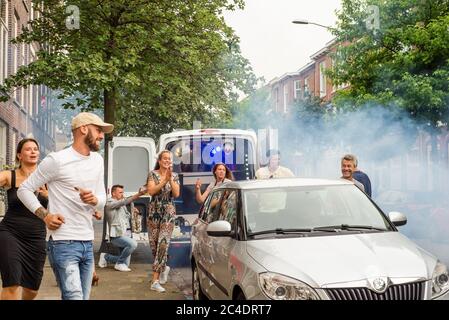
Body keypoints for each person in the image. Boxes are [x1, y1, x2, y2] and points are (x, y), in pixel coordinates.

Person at [17, 112, 113, 300]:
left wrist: (94, 200)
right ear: (83, 129)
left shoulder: (98, 160)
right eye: (98, 130)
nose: (101, 136)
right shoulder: (57, 160)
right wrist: (45, 215)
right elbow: (24, 189)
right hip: (63, 243)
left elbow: (103, 197)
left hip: (87, 241)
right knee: (74, 297)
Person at [0, 138, 48, 300]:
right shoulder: (9, 176)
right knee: (12, 283)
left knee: (32, 289)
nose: (33, 151)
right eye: (28, 149)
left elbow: (65, 203)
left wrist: (50, 197)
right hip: (10, 233)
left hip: (36, 237)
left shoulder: (48, 180)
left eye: (35, 149)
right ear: (19, 155)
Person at [146, 150, 180, 293]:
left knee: (162, 245)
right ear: (159, 161)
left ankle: (155, 280)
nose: (167, 161)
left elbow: (176, 193)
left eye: (169, 159)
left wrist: (169, 179)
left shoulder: (175, 175)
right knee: (154, 246)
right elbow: (151, 191)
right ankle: (163, 267)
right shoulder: (152, 174)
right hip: (154, 212)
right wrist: (163, 181)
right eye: (164, 159)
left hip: (168, 211)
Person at [98, 184, 146, 272]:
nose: (122, 194)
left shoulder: (121, 204)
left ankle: (106, 257)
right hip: (116, 235)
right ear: (113, 193)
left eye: (123, 192)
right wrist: (138, 194)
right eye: (120, 192)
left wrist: (133, 211)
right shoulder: (109, 203)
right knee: (133, 244)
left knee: (126, 264)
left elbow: (125, 214)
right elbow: (123, 202)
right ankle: (118, 263)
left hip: (125, 233)